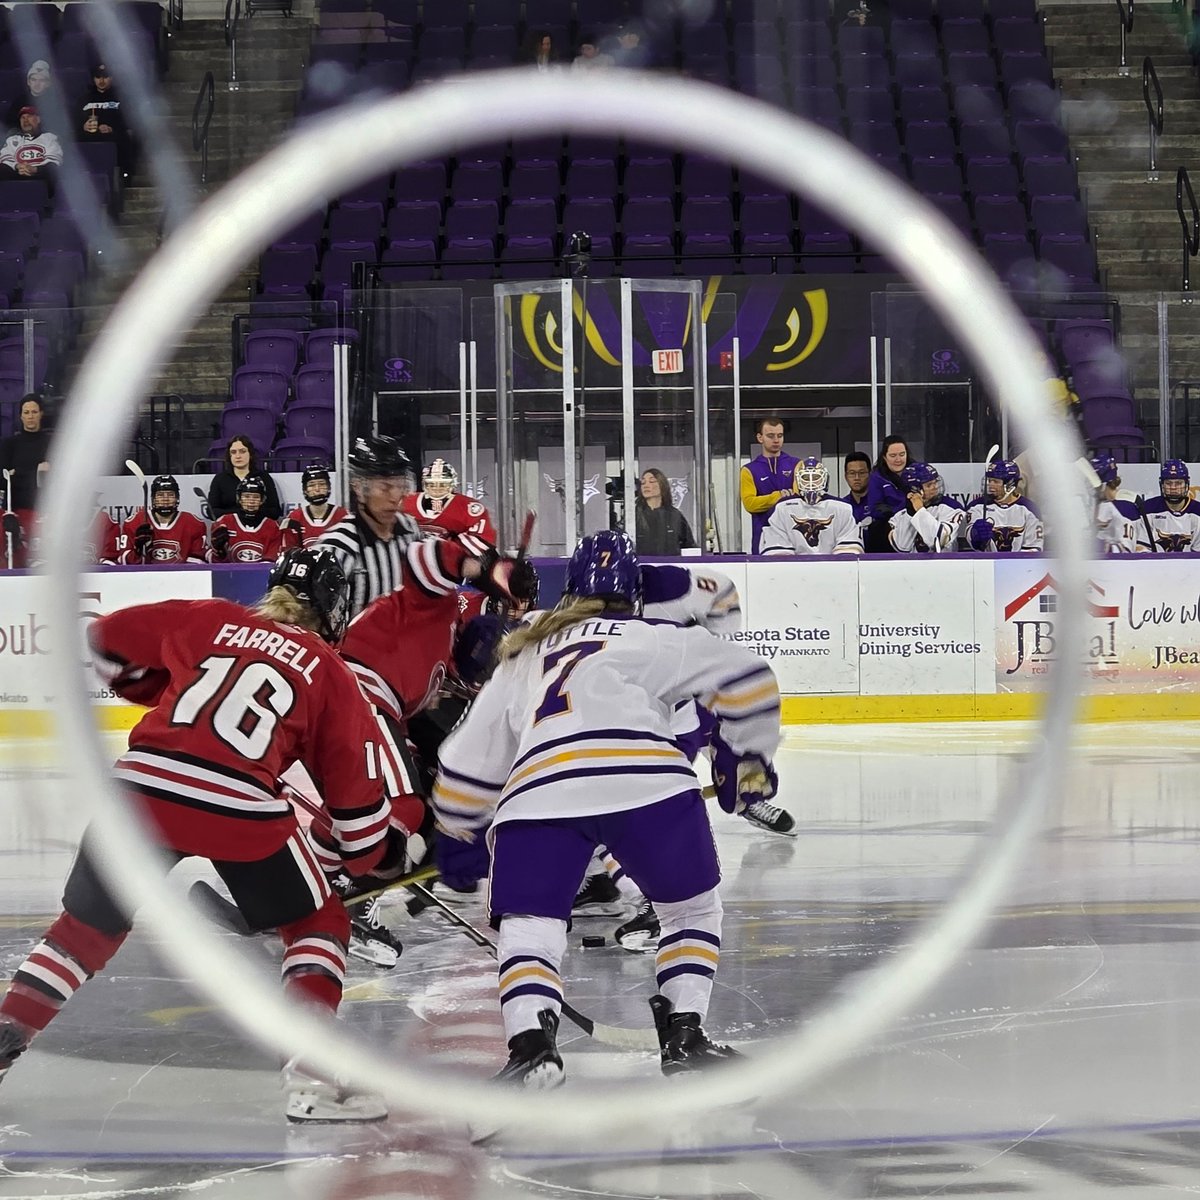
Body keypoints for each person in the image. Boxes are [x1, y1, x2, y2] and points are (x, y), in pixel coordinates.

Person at [0, 547, 405, 1123]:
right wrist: (385, 852)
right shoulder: (330, 671)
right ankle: (312, 1076)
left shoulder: (210, 616)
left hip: (137, 790)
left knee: (85, 931)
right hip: (237, 804)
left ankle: (9, 1027)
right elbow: (360, 827)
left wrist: (158, 689)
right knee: (317, 922)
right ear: (336, 613)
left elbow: (104, 643)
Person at [431, 531, 782, 1086]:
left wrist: (458, 826)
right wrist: (748, 760)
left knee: (530, 927)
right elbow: (747, 678)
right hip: (648, 785)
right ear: (634, 591)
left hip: (538, 794)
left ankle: (530, 1047)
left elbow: (472, 754)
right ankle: (684, 1035)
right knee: (691, 912)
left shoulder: (526, 648)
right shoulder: (653, 636)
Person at [318, 435, 425, 618]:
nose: (395, 497)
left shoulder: (410, 530)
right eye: (385, 488)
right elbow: (318, 624)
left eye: (400, 486)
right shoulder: (336, 547)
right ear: (359, 488)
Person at [759, 457, 863, 556]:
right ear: (798, 479)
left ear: (824, 479)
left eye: (816, 477)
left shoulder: (842, 508)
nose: (811, 482)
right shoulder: (782, 508)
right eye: (806, 477)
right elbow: (778, 554)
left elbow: (848, 552)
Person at [400, 458, 496, 553]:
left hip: (451, 561)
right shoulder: (406, 502)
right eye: (432, 484)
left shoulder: (468, 507)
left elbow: (483, 538)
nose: (437, 488)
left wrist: (452, 553)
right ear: (424, 484)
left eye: (442, 484)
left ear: (452, 484)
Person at [740, 416, 800, 554]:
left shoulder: (796, 464)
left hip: (794, 537)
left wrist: (767, 500)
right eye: (770, 436)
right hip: (762, 538)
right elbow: (750, 504)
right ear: (760, 438)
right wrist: (778, 496)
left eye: (780, 435)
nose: (776, 440)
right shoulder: (749, 470)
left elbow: (799, 499)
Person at [118, 474, 207, 564]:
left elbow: (197, 563)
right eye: (160, 495)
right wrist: (138, 551)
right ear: (153, 499)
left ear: (177, 498)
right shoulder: (135, 522)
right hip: (145, 577)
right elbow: (123, 562)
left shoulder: (193, 523)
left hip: (181, 577)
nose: (165, 499)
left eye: (170, 495)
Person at [962, 459, 1043, 553]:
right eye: (989, 480)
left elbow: (1033, 549)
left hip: (1020, 566)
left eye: (995, 481)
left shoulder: (1029, 510)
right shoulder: (976, 506)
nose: (990, 485)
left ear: (1010, 484)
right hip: (985, 564)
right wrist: (975, 535)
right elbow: (974, 545)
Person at [888, 462, 966, 554]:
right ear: (914, 489)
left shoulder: (951, 508)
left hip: (945, 566)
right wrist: (911, 513)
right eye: (929, 485)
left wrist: (920, 510)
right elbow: (902, 548)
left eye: (935, 482)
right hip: (911, 567)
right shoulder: (898, 516)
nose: (935, 487)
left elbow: (938, 540)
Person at [207, 476, 283, 564]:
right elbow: (212, 562)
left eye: (255, 497)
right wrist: (218, 551)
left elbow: (270, 562)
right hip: (229, 575)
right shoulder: (224, 522)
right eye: (246, 496)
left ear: (262, 500)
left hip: (259, 576)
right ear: (239, 499)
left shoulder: (272, 527)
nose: (251, 501)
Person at [79, 62, 134, 179]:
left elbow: (127, 121)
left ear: (111, 78)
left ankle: (123, 176)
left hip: (114, 135)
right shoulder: (84, 99)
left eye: (105, 77)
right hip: (89, 136)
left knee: (126, 138)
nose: (101, 81)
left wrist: (111, 127)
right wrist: (83, 126)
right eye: (98, 77)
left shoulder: (121, 98)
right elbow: (75, 120)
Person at [207, 436, 282, 521]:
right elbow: (211, 511)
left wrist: (253, 513)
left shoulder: (264, 477)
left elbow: (275, 511)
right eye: (233, 452)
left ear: (250, 454)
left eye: (242, 451)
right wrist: (240, 513)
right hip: (229, 528)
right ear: (229, 455)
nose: (238, 456)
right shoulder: (220, 479)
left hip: (258, 528)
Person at [0, 393, 50, 516]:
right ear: (21, 416)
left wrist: (16, 473)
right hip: (16, 512)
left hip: (46, 511)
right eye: (26, 412)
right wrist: (37, 473)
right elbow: (2, 480)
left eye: (34, 412)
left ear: (41, 414)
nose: (30, 416)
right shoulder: (9, 444)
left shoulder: (52, 444)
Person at [1136, 459, 1200, 553]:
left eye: (1178, 483)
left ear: (1187, 484)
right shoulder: (1148, 509)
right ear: (1162, 485)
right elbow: (1141, 549)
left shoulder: (1197, 511)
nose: (1173, 488)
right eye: (1168, 483)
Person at [282, 464, 348, 549]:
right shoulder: (294, 518)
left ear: (329, 487)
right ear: (305, 490)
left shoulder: (343, 516)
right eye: (311, 485)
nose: (317, 489)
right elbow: (289, 552)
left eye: (321, 484)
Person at [634, 468, 696, 556]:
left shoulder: (675, 516)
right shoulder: (634, 515)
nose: (646, 485)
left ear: (662, 485)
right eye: (643, 483)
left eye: (652, 482)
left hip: (670, 566)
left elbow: (689, 546)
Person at [863, 435, 909, 553]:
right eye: (893, 456)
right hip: (887, 528)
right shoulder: (876, 477)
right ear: (884, 457)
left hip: (914, 525)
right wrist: (902, 509)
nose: (898, 459)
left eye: (902, 454)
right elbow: (875, 509)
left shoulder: (917, 471)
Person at [0, 107, 61, 193]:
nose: (25, 120)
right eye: (23, 118)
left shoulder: (49, 138)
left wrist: (34, 169)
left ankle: (47, 202)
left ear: (38, 119)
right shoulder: (12, 139)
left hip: (40, 176)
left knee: (53, 171)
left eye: (29, 116)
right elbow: (5, 159)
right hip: (17, 175)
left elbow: (54, 162)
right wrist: (18, 167)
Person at [1089, 452, 1139, 555]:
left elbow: (1126, 552)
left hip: (1113, 567)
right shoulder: (1088, 505)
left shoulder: (1125, 508)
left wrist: (1098, 546)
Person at [842, 451, 871, 525]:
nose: (857, 478)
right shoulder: (842, 506)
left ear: (870, 474)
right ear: (846, 476)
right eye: (852, 473)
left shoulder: (879, 504)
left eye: (861, 473)